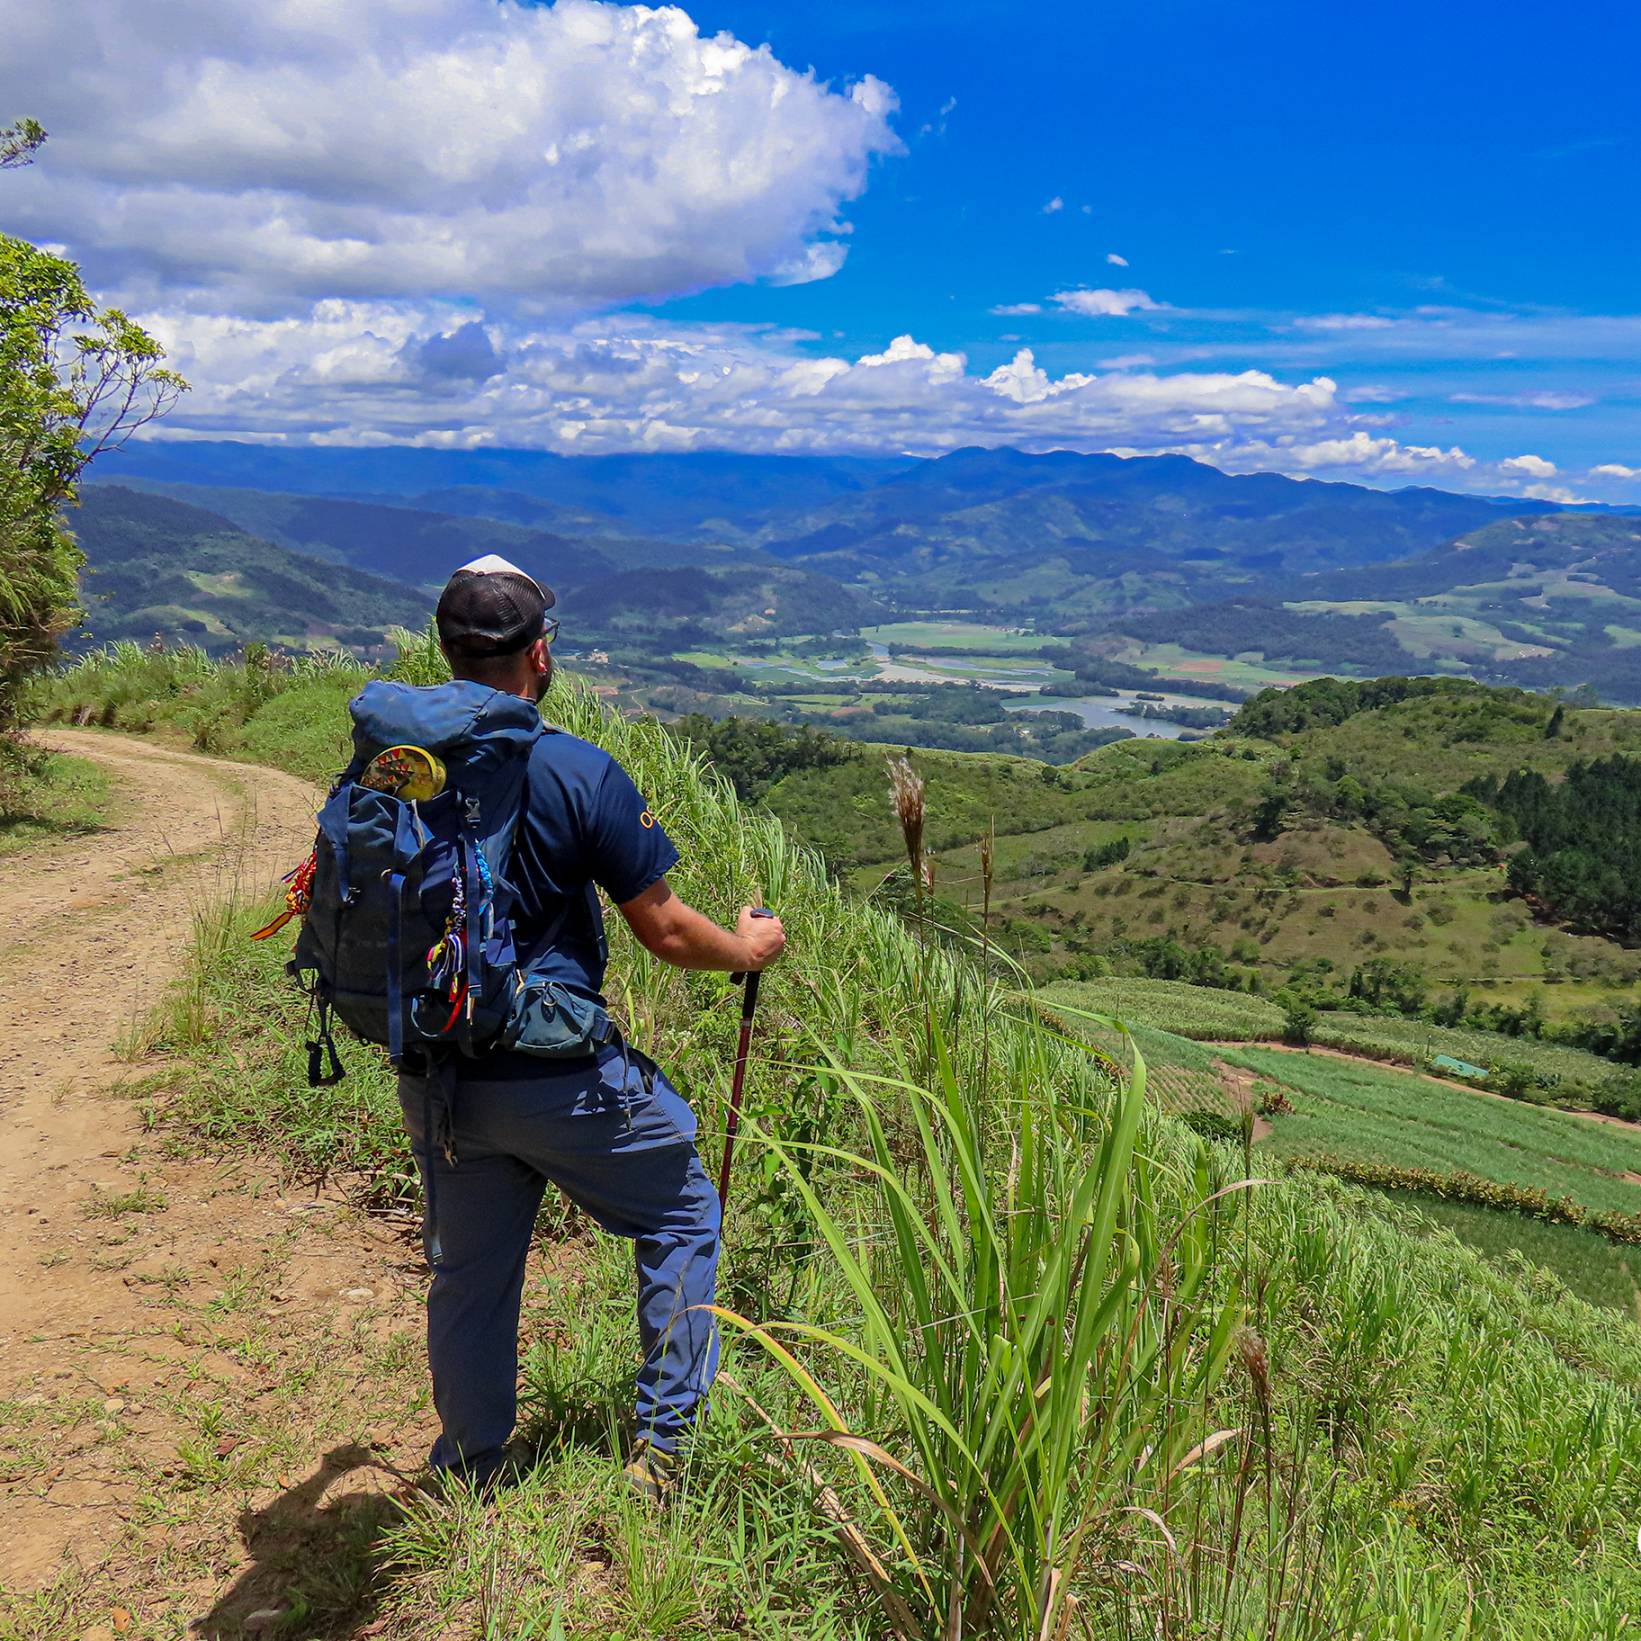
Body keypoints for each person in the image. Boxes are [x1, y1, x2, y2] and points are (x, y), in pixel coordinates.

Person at [398, 554, 786, 1500]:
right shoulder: (573, 767)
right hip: (559, 1075)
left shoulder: (393, 766)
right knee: (682, 1208)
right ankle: (664, 1453)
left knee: (470, 1278)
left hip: (440, 1073)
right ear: (539, 656)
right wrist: (746, 950)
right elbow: (665, 930)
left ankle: (471, 1473)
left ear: (445, 653)